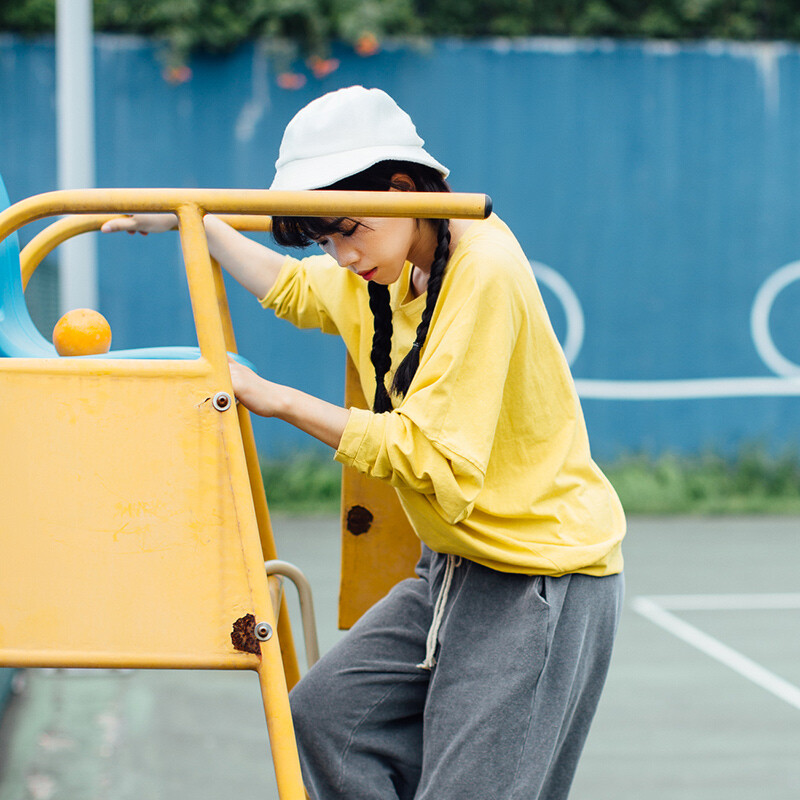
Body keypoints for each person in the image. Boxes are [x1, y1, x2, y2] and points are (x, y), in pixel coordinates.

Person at [103, 85, 625, 800]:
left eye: (349, 230)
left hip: (535, 575)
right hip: (452, 567)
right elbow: (294, 289)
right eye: (327, 240)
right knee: (326, 721)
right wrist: (192, 223)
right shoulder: (389, 263)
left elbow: (433, 459)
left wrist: (278, 400)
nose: (343, 257)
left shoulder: (482, 272)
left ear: (405, 189)